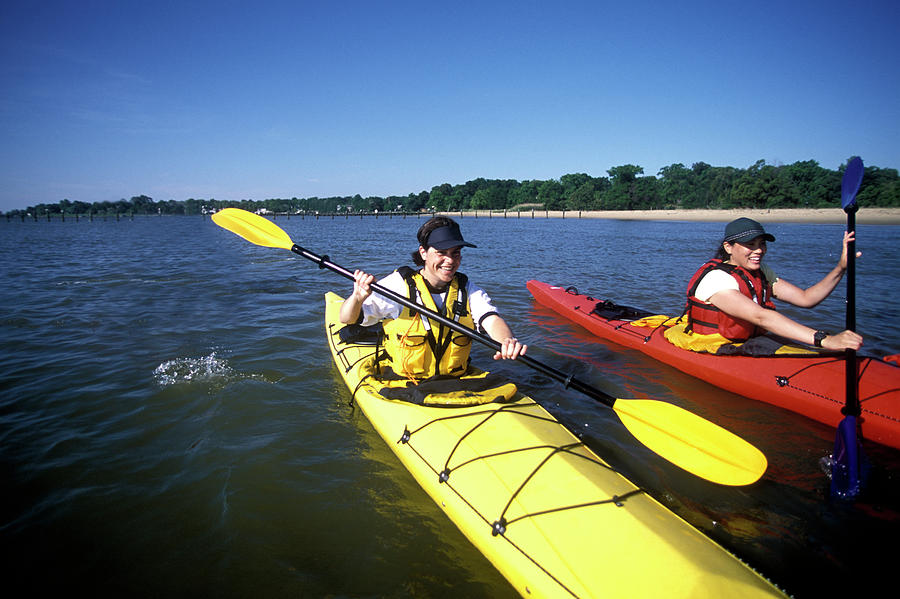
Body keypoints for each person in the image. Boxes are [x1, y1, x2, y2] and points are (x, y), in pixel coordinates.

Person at [340, 216, 526, 380]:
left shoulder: (467, 289)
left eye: (456, 253)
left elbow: (491, 319)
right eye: (441, 253)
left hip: (453, 380)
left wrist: (506, 341)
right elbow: (347, 318)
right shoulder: (398, 285)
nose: (450, 261)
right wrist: (357, 298)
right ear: (423, 253)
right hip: (404, 381)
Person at [684, 217, 863, 351]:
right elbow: (761, 317)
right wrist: (825, 340)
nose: (759, 250)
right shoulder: (716, 278)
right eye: (750, 244)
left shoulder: (760, 272)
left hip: (746, 342)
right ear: (728, 247)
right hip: (713, 346)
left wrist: (841, 267)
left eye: (762, 244)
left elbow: (806, 299)